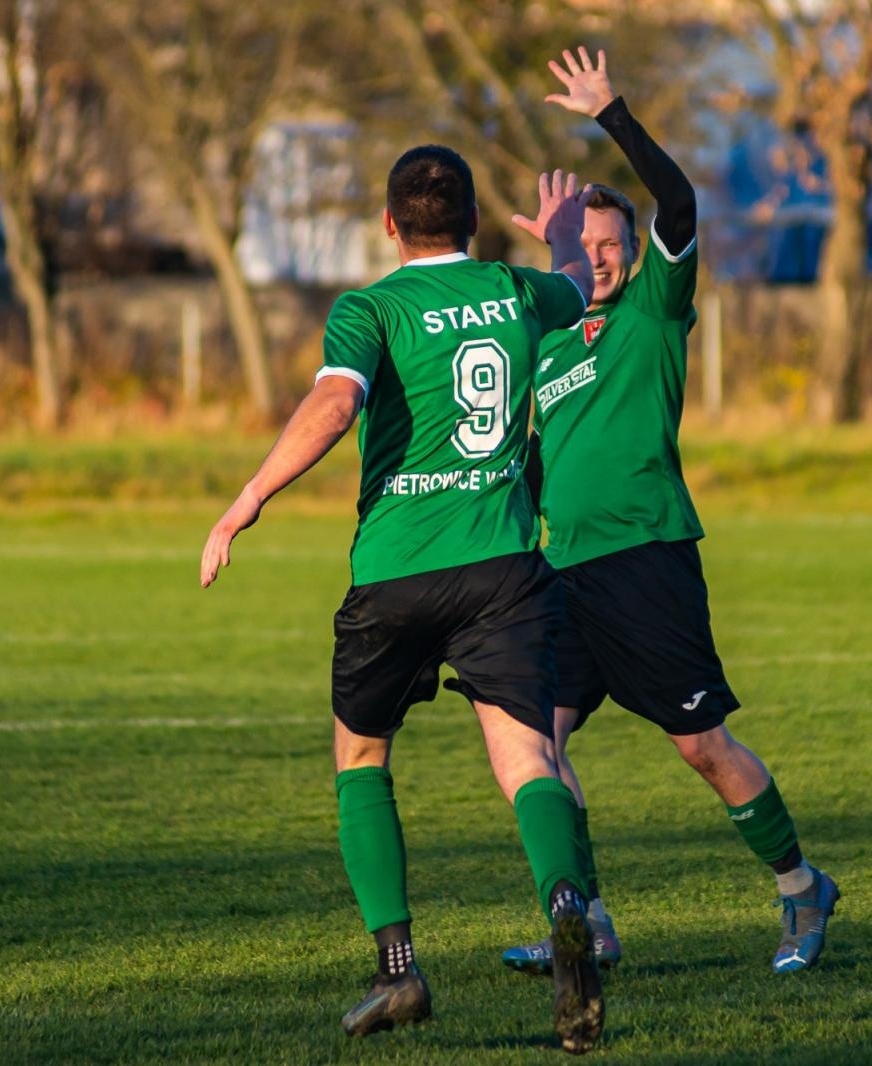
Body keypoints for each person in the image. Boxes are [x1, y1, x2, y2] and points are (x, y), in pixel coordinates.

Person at [200, 146, 606, 1053]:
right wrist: (565, 239)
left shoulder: (371, 308)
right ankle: (571, 907)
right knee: (527, 759)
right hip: (503, 566)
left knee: (361, 756)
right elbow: (577, 284)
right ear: (471, 223)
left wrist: (249, 497)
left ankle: (399, 972)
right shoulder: (517, 289)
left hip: (394, 573)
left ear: (389, 225)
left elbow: (336, 407)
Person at [502, 48, 839, 977]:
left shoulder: (657, 305)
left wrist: (613, 112)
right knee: (539, 749)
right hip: (561, 571)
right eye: (589, 247)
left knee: (700, 743)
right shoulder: (547, 327)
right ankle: (589, 923)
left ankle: (801, 886)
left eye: (613, 244)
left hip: (646, 560)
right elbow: (533, 451)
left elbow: (681, 207)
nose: (602, 259)